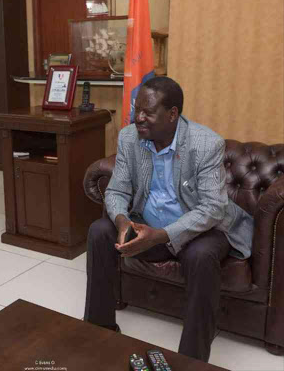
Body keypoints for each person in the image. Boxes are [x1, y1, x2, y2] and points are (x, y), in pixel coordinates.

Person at [84, 77, 253, 362]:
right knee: (100, 230)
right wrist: (123, 221)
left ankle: (192, 358)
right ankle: (99, 329)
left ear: (172, 114)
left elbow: (212, 208)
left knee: (200, 255)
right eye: (137, 110)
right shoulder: (129, 137)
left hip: (200, 229)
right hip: (146, 223)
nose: (139, 118)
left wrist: (162, 235)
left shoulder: (206, 143)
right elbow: (117, 189)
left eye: (148, 112)